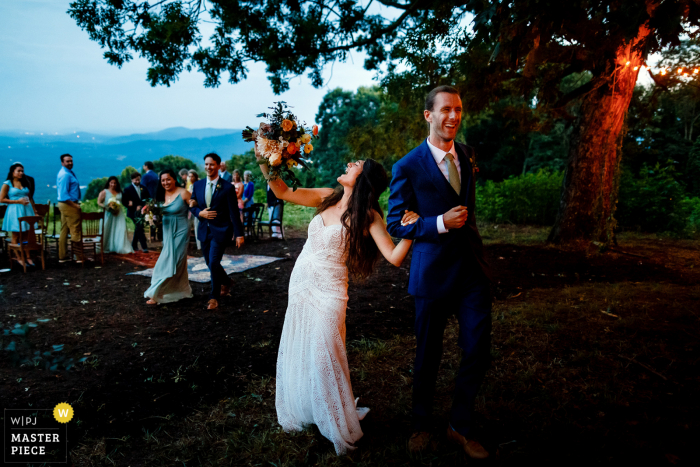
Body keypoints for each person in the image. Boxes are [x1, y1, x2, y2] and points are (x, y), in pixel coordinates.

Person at [256, 142, 419, 455]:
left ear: (364, 179)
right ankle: (309, 409)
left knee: (324, 352)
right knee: (303, 348)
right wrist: (264, 159)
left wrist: (412, 230)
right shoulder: (326, 196)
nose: (348, 164)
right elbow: (281, 191)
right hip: (301, 284)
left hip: (330, 291)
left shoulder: (368, 216)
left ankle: (334, 419)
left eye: (355, 164)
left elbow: (394, 256)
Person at [386, 85, 492, 459]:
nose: (454, 116)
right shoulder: (408, 166)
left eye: (459, 109)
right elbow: (395, 224)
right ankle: (420, 423)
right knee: (428, 354)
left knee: (478, 348)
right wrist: (438, 223)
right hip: (432, 276)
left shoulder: (467, 154)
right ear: (429, 115)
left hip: (472, 274)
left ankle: (458, 427)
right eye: (446, 109)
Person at [189, 153, 244, 310]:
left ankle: (213, 297)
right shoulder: (198, 185)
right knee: (209, 263)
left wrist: (239, 234)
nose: (208, 167)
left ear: (219, 166)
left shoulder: (227, 187)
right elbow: (192, 205)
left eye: (212, 164)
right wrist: (200, 213)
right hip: (203, 230)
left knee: (213, 262)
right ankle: (226, 281)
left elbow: (234, 212)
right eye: (206, 164)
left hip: (220, 230)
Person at [143, 169, 193, 304]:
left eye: (168, 179)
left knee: (176, 260)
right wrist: (148, 212)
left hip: (181, 229)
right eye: (163, 180)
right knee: (168, 258)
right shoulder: (159, 194)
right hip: (167, 229)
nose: (166, 182)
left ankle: (156, 292)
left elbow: (195, 207)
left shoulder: (183, 193)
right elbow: (155, 211)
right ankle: (179, 290)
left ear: (174, 179)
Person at [1, 163, 38, 267]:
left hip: (27, 209)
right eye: (19, 171)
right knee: (16, 235)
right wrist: (18, 201)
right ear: (13, 172)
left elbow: (30, 198)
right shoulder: (7, 183)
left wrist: (34, 210)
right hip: (14, 210)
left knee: (27, 234)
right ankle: (18, 257)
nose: (21, 173)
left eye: (22, 171)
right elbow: (1, 199)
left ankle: (28, 257)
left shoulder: (25, 182)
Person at [97, 176, 134, 254]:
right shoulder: (105, 192)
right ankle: (106, 246)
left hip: (118, 214)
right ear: (109, 183)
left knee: (120, 229)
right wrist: (107, 207)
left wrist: (129, 203)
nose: (113, 184)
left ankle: (119, 246)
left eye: (115, 183)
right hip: (108, 214)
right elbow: (99, 202)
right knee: (107, 229)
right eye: (111, 183)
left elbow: (124, 201)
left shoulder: (120, 192)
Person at [56, 154, 82, 263]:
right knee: (75, 230)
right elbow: (63, 195)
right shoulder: (65, 175)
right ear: (62, 163)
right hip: (69, 204)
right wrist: (75, 205)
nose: (70, 163)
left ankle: (63, 256)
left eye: (71, 161)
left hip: (65, 204)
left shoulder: (66, 173)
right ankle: (79, 257)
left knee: (64, 229)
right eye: (67, 161)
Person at [122, 172, 150, 253]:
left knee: (138, 228)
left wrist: (146, 206)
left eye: (139, 180)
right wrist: (133, 206)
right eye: (136, 180)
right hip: (132, 212)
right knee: (139, 227)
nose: (137, 181)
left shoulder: (143, 187)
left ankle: (134, 245)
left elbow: (148, 198)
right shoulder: (127, 189)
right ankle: (144, 247)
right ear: (132, 179)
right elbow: (124, 201)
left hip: (142, 211)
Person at [141, 161, 160, 241]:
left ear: (146, 166)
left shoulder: (146, 176)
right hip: (156, 199)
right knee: (154, 216)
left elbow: (142, 188)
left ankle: (143, 235)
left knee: (145, 216)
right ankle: (153, 235)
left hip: (147, 199)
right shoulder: (156, 176)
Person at [187, 170, 201, 249]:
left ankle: (200, 245)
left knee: (197, 225)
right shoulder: (190, 186)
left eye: (192, 176)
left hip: (197, 207)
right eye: (189, 176)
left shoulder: (198, 185)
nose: (191, 178)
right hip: (190, 207)